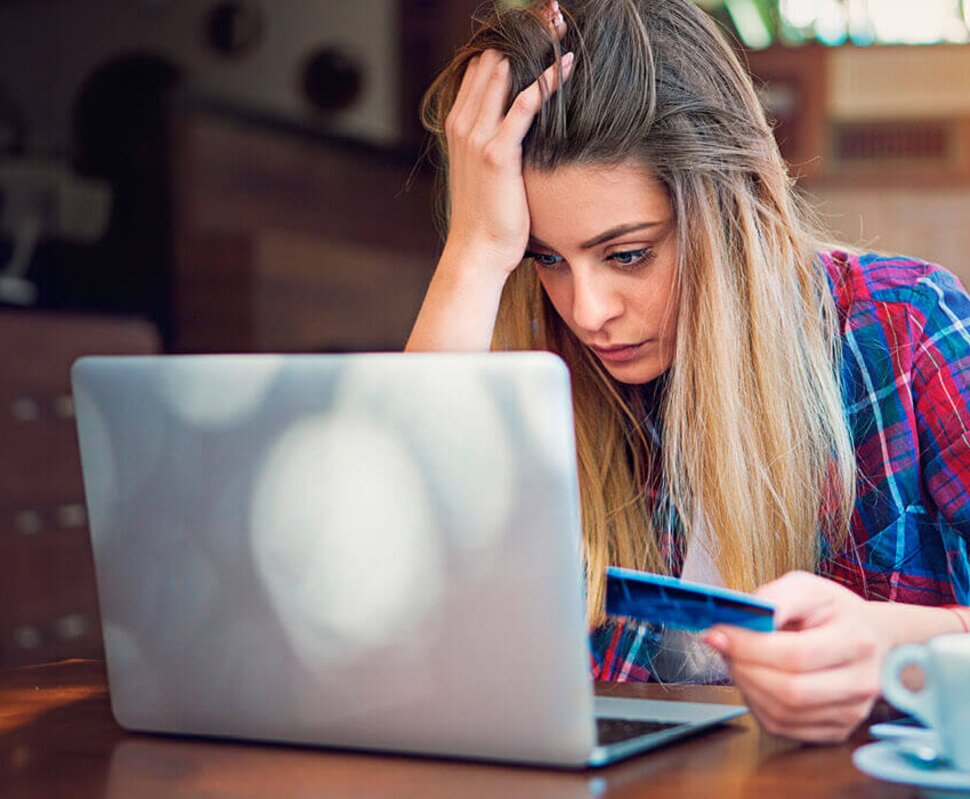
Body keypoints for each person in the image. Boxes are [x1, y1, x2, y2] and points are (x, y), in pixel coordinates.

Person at [405, 0, 970, 743]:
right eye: (546, 258)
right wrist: (474, 254)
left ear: (732, 208)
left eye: (628, 254)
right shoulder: (540, 373)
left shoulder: (905, 328)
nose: (588, 310)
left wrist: (897, 645)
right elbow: (393, 602)